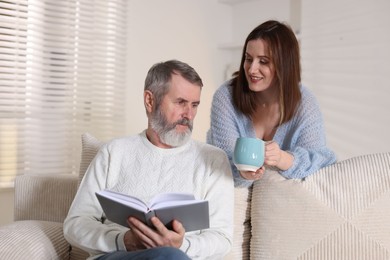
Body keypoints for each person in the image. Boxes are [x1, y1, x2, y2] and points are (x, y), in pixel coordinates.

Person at [64, 60, 234, 260]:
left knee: (171, 257)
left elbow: (222, 238)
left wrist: (181, 245)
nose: (189, 114)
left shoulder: (213, 160)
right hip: (119, 257)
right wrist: (123, 240)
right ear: (149, 100)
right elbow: (75, 224)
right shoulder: (114, 152)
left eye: (194, 105)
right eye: (180, 102)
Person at [207, 20, 337, 187]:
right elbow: (222, 161)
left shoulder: (305, 104)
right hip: (230, 192)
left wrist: (283, 159)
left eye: (263, 61)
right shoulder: (225, 97)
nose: (252, 69)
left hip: (279, 199)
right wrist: (242, 173)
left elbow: (320, 161)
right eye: (248, 59)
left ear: (284, 65)